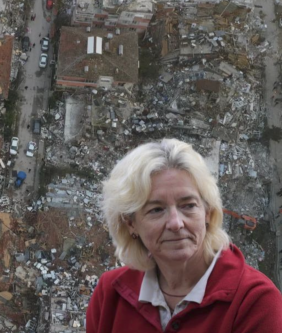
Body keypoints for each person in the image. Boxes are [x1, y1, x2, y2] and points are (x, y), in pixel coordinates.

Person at [87, 139, 282, 333]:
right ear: (131, 224)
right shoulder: (110, 294)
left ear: (208, 213)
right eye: (156, 210)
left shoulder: (255, 301)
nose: (176, 223)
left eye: (188, 206)